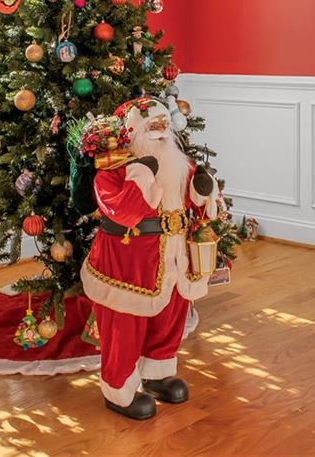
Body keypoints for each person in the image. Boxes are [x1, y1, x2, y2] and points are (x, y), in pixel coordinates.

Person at [80, 97, 219, 419]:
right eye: (151, 125)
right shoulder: (112, 171)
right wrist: (141, 174)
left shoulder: (181, 164)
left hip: (175, 255)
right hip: (128, 264)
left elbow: (198, 204)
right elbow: (125, 211)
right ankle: (119, 389)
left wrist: (202, 191)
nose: (160, 130)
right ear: (132, 131)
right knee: (124, 326)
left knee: (170, 316)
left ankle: (157, 373)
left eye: (163, 124)